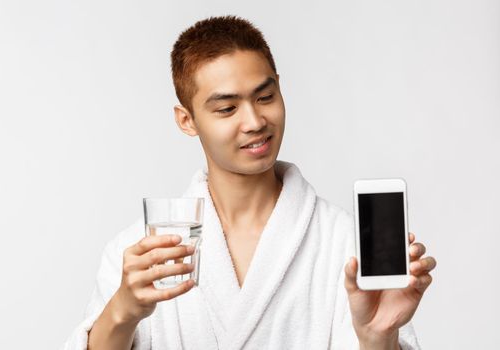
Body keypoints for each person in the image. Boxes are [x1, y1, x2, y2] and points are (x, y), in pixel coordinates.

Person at [63, 15, 437, 350]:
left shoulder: (345, 245)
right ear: (186, 120)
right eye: (227, 108)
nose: (255, 121)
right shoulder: (138, 254)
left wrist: (378, 338)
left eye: (266, 96)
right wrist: (122, 312)